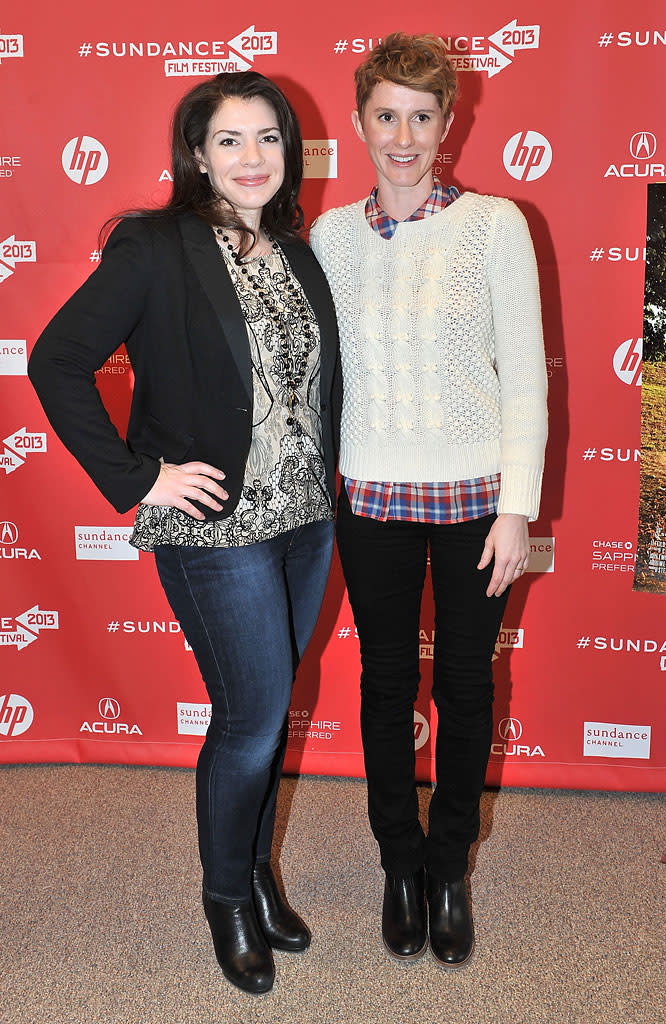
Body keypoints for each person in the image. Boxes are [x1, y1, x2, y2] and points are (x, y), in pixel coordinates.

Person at [29, 71, 340, 995]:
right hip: (216, 526)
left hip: (306, 518)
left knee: (267, 711)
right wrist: (139, 477)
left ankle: (256, 870)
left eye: (268, 139)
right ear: (196, 154)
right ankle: (227, 898)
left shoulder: (297, 250)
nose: (253, 158)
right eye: (231, 140)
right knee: (249, 719)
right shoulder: (155, 246)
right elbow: (57, 361)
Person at [310, 33, 547, 970]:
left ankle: (450, 868)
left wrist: (518, 508)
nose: (403, 136)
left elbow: (526, 382)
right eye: (385, 116)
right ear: (362, 121)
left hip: (475, 507)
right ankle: (397, 866)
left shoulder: (495, 224)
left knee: (466, 684)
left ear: (449, 123)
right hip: (369, 501)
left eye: (422, 116)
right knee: (383, 685)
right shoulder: (328, 236)